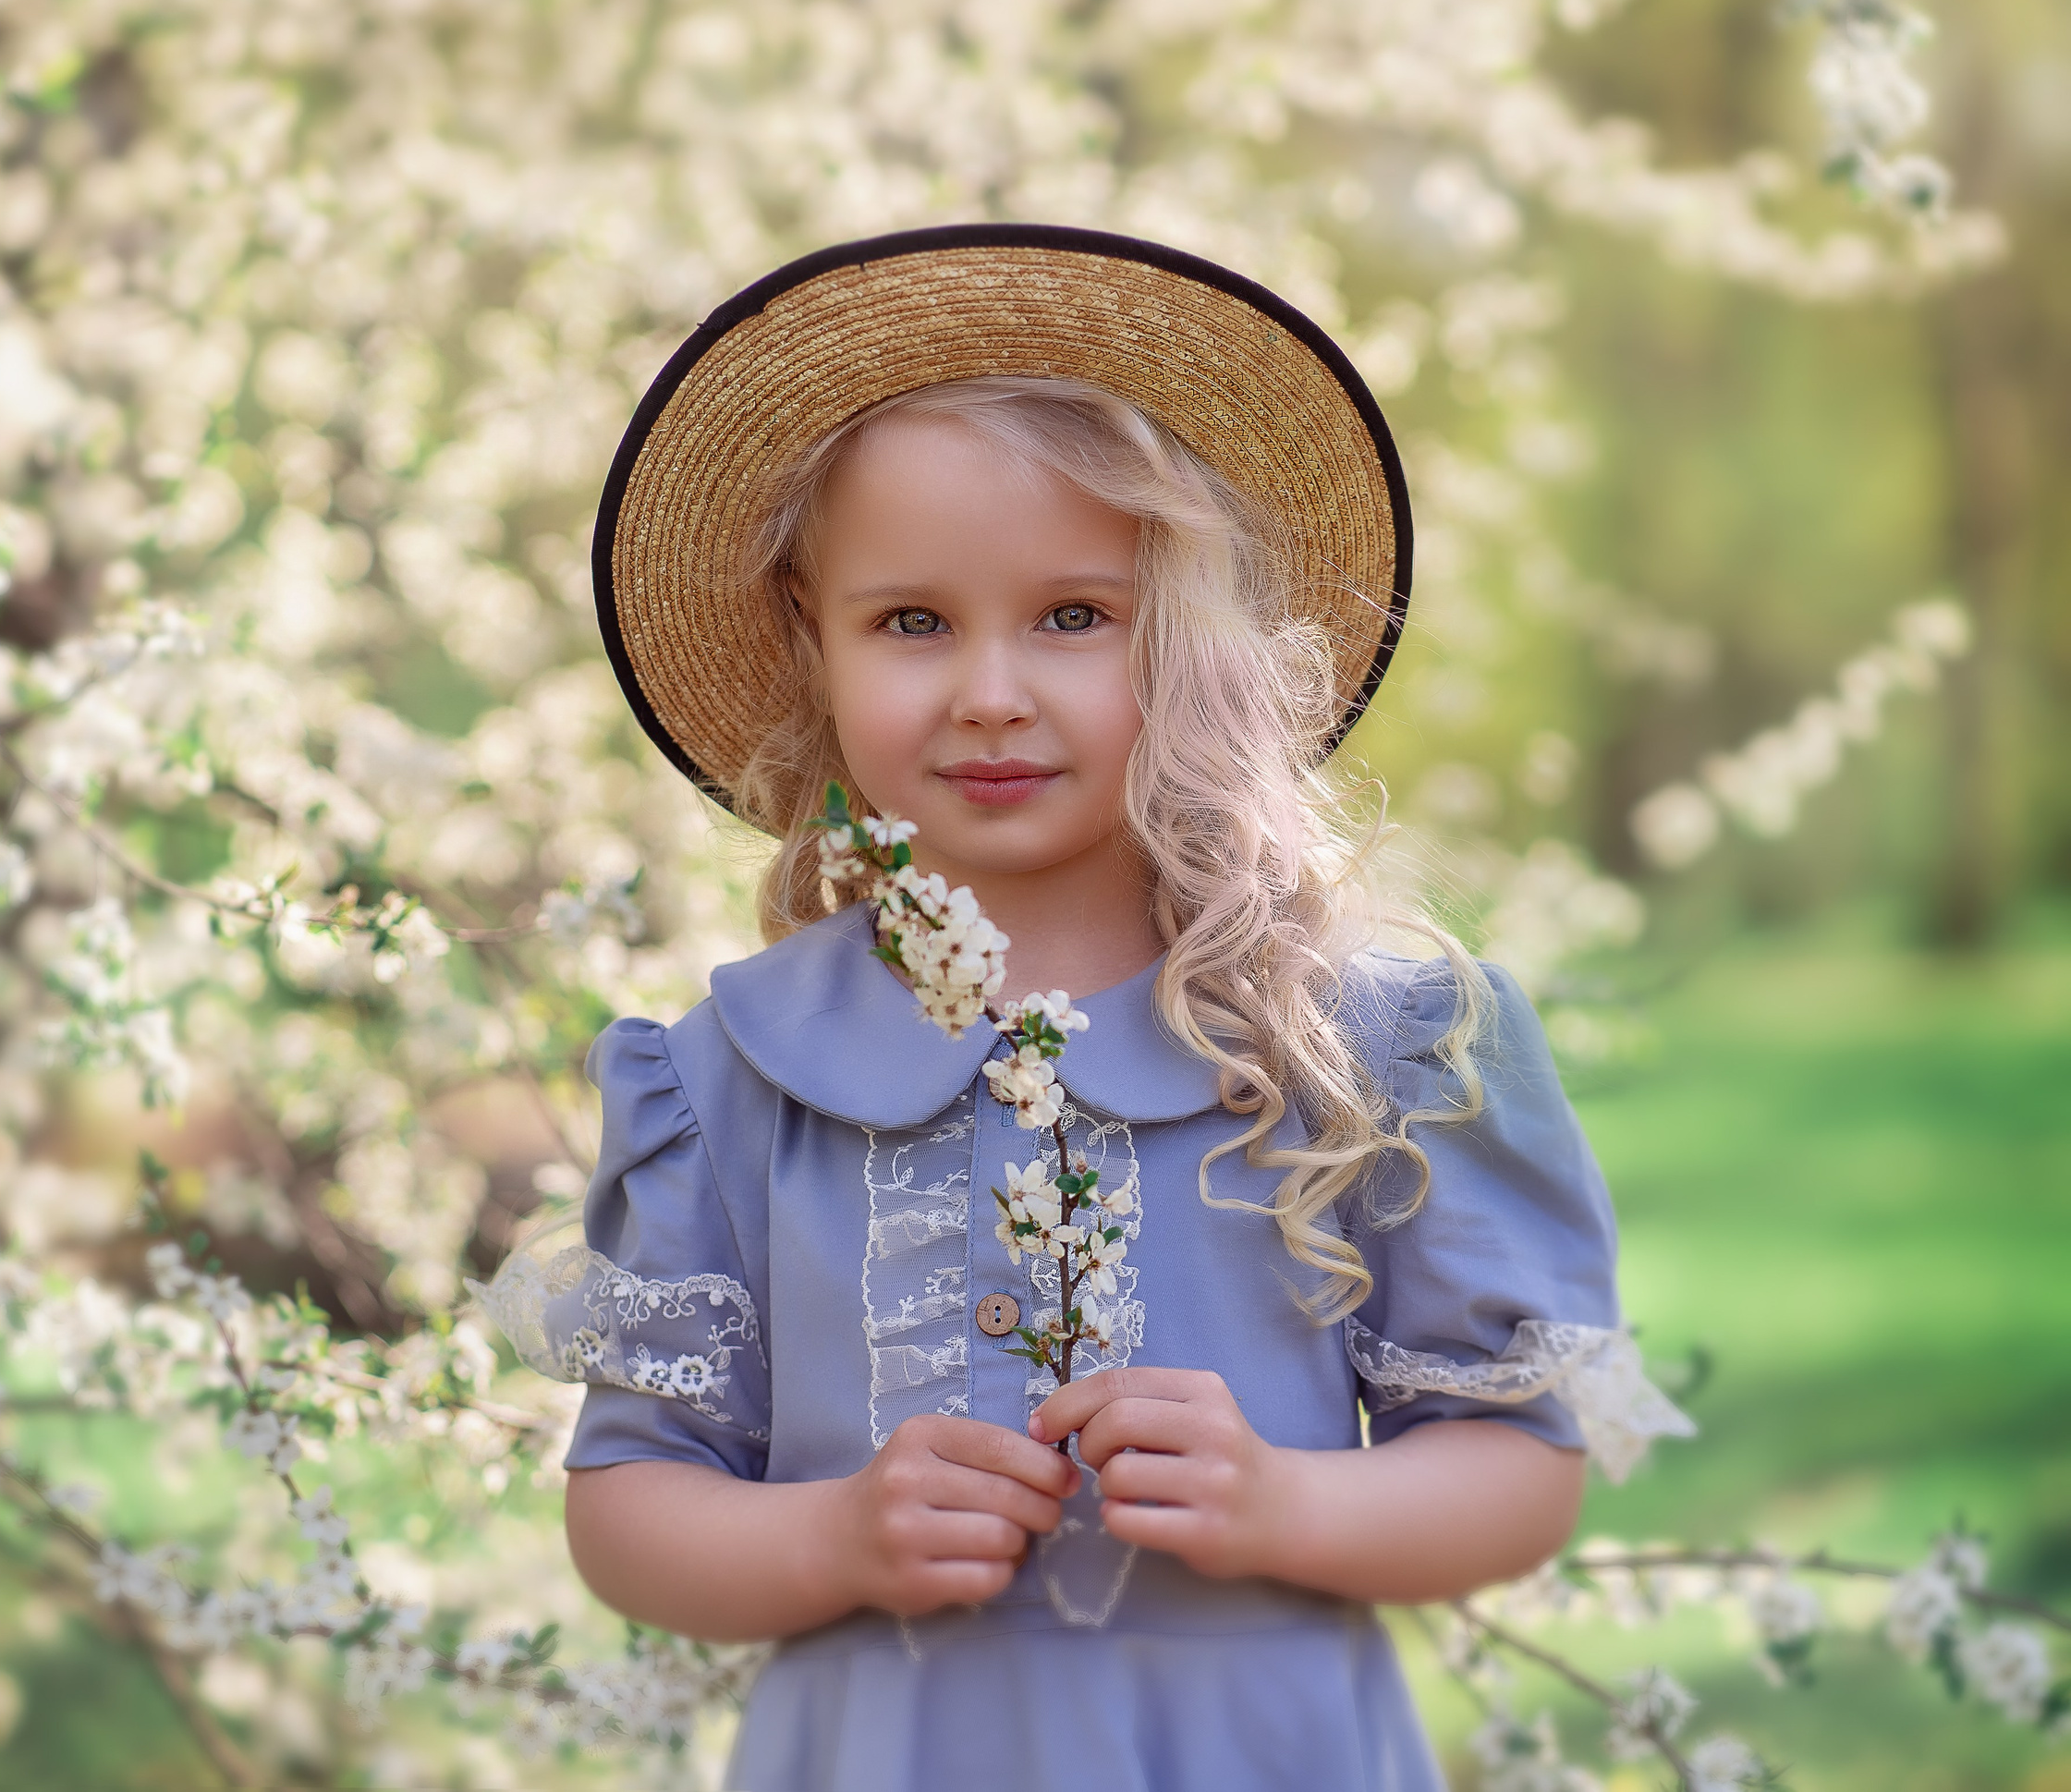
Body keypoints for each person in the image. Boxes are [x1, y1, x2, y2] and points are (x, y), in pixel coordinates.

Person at [483, 226, 1690, 1790]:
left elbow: (1519, 1471)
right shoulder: (731, 1077)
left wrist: (1284, 1500)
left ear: (1189, 637)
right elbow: (632, 1510)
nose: (990, 691)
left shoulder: (1362, 1048)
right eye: (912, 622)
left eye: (1073, 616)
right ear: (810, 639)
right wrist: (834, 1536)